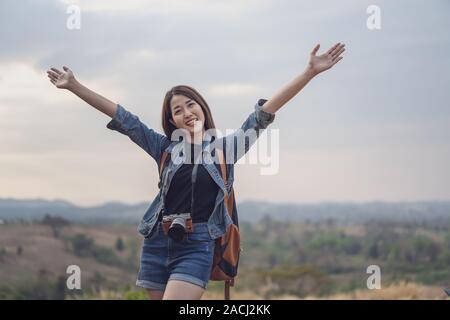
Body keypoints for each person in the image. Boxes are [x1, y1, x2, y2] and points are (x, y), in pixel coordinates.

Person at [46, 42, 345, 300]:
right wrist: (74, 86)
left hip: (198, 244)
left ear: (202, 107)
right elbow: (124, 118)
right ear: (172, 120)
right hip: (157, 242)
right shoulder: (163, 148)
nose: (187, 113)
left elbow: (263, 114)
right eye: (178, 110)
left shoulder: (227, 149)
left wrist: (309, 72)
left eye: (191, 105)